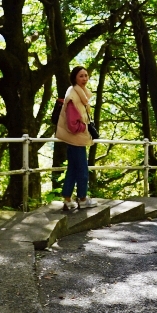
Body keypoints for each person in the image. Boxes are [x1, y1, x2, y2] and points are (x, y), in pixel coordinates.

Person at [56, 65, 98, 211]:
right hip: (76, 138)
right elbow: (73, 125)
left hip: (74, 139)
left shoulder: (77, 93)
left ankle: (68, 199)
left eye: (86, 75)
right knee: (82, 170)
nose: (84, 78)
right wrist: (84, 127)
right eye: (81, 76)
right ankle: (83, 199)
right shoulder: (74, 96)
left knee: (73, 169)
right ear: (75, 78)